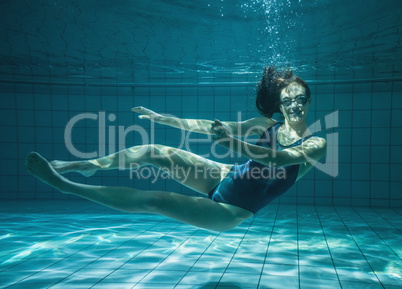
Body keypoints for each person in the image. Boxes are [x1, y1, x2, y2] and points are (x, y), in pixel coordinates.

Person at [25, 66, 326, 232]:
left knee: (154, 200)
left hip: (231, 210)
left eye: (300, 99)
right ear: (280, 105)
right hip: (224, 175)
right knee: (152, 150)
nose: (294, 105)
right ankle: (88, 165)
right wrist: (163, 119)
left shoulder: (316, 144)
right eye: (287, 100)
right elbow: (208, 125)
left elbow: (279, 158)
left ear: (309, 101)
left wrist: (232, 143)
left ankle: (67, 186)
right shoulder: (264, 124)